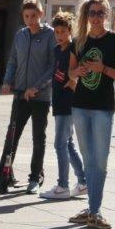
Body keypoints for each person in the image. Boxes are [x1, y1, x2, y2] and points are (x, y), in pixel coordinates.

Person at [66, 0, 115, 229]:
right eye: (92, 13)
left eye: (100, 13)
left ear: (107, 15)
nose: (96, 17)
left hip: (103, 107)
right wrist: (78, 72)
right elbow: (70, 74)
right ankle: (93, 210)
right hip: (80, 106)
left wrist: (102, 68)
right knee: (89, 159)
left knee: (100, 162)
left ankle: (94, 210)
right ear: (86, 15)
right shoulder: (79, 41)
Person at [0, 0, 55, 196]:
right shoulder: (21, 35)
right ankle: (2, 175)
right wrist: (7, 81)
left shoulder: (49, 35)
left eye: (34, 15)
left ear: (41, 14)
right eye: (26, 16)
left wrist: (36, 87)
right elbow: (13, 61)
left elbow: (53, 66)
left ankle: (35, 177)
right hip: (20, 95)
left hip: (40, 97)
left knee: (38, 138)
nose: (30, 19)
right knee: (12, 136)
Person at [40, 11, 87, 201]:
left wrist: (74, 80)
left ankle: (63, 186)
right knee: (67, 143)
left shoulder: (74, 48)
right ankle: (83, 183)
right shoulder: (57, 50)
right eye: (56, 32)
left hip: (69, 103)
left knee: (60, 144)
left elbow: (81, 70)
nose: (59, 35)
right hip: (58, 101)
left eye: (63, 31)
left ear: (70, 31)